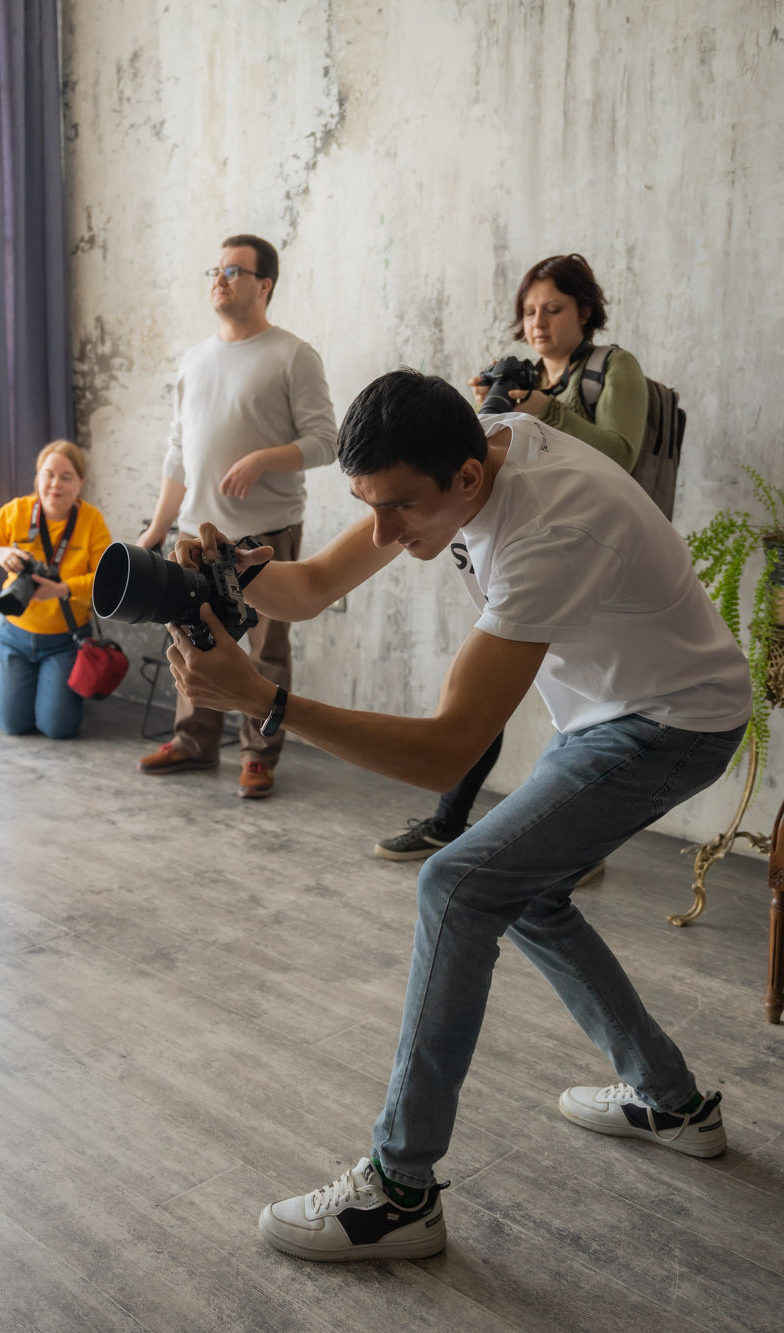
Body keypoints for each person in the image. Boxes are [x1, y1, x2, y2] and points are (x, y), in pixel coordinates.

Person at [164, 370, 750, 1262]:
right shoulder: (466, 452)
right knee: (530, 892)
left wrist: (268, 702)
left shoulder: (552, 526)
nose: (387, 534)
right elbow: (315, 583)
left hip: (672, 719)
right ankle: (671, 1101)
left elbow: (447, 751)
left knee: (459, 883)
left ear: (469, 482)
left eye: (401, 511)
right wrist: (233, 584)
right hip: (611, 710)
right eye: (371, 507)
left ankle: (400, 1191)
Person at [376, 253, 649, 865]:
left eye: (552, 309)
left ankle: (567, 846)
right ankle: (456, 821)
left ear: (585, 310)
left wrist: (540, 410)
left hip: (594, 558)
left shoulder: (613, 368)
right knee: (489, 694)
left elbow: (622, 455)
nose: (538, 322)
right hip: (522, 554)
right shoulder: (526, 382)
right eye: (528, 311)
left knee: (587, 701)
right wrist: (488, 415)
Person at [134, 234, 338, 799]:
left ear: (264, 284)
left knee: (265, 647)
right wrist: (158, 526)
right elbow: (179, 450)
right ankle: (194, 742)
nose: (219, 279)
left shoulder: (293, 355)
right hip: (194, 529)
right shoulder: (195, 359)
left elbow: (327, 441)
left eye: (234, 270)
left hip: (266, 531)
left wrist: (262, 459)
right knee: (190, 636)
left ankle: (259, 753)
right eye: (215, 270)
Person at [0, 441, 111, 739]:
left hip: (65, 639)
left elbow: (106, 581)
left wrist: (64, 589)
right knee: (12, 725)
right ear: (37, 478)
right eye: (48, 474)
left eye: (66, 477)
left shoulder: (91, 521)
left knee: (58, 728)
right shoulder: (16, 512)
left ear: (81, 483)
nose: (55, 484)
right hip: (13, 636)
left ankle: (57, 692)